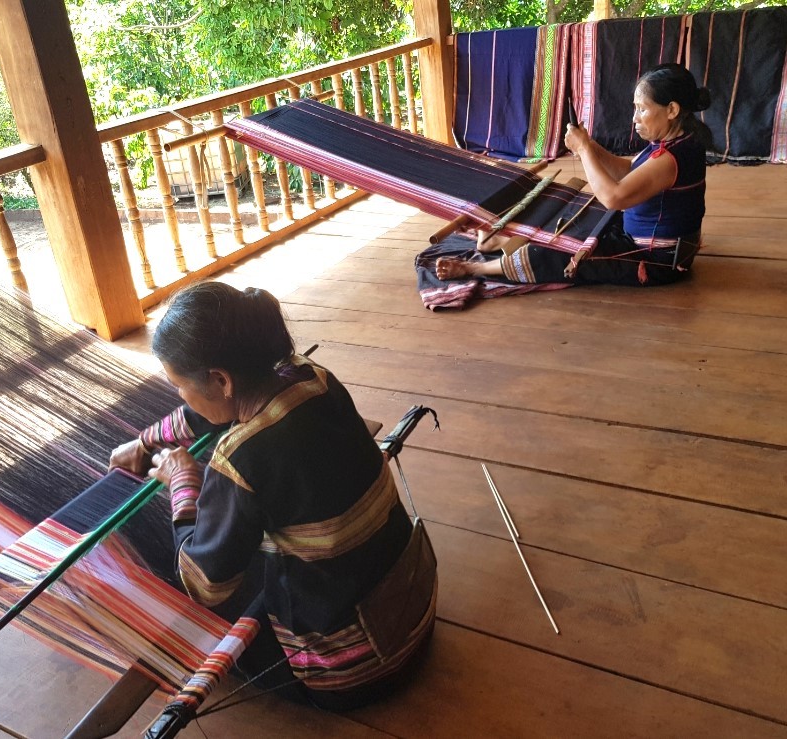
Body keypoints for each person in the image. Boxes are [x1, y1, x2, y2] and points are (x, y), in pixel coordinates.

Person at [109, 282, 436, 711]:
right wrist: (147, 440)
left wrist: (183, 481)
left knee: (177, 570)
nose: (178, 394)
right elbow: (218, 405)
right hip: (412, 606)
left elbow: (204, 586)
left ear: (220, 379)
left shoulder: (240, 457)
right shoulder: (313, 378)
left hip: (352, 671)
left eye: (177, 385)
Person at [436, 63, 713, 287]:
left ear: (672, 110)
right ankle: (503, 239)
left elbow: (613, 197)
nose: (635, 118)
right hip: (646, 238)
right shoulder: (677, 141)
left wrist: (583, 150)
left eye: (642, 109)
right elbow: (631, 172)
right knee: (570, 219)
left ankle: (474, 268)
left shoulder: (670, 158)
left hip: (654, 259)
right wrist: (590, 146)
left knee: (554, 252)